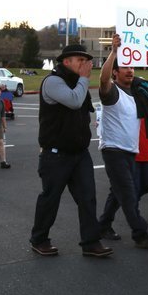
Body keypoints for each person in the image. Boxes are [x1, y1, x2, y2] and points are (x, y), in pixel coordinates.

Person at [29, 43, 112, 258]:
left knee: (88, 198)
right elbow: (74, 102)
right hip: (55, 154)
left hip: (79, 153)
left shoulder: (77, 82)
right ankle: (39, 239)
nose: (85, 64)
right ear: (66, 62)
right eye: (80, 60)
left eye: (86, 60)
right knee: (51, 198)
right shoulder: (53, 81)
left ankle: (91, 242)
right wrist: (84, 78)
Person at [96, 34, 148, 250]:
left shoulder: (136, 95)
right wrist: (114, 52)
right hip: (114, 151)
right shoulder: (111, 92)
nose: (130, 70)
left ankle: (103, 225)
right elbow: (103, 80)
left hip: (130, 151)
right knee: (129, 193)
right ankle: (140, 234)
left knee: (118, 192)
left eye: (132, 67)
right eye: (125, 67)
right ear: (115, 72)